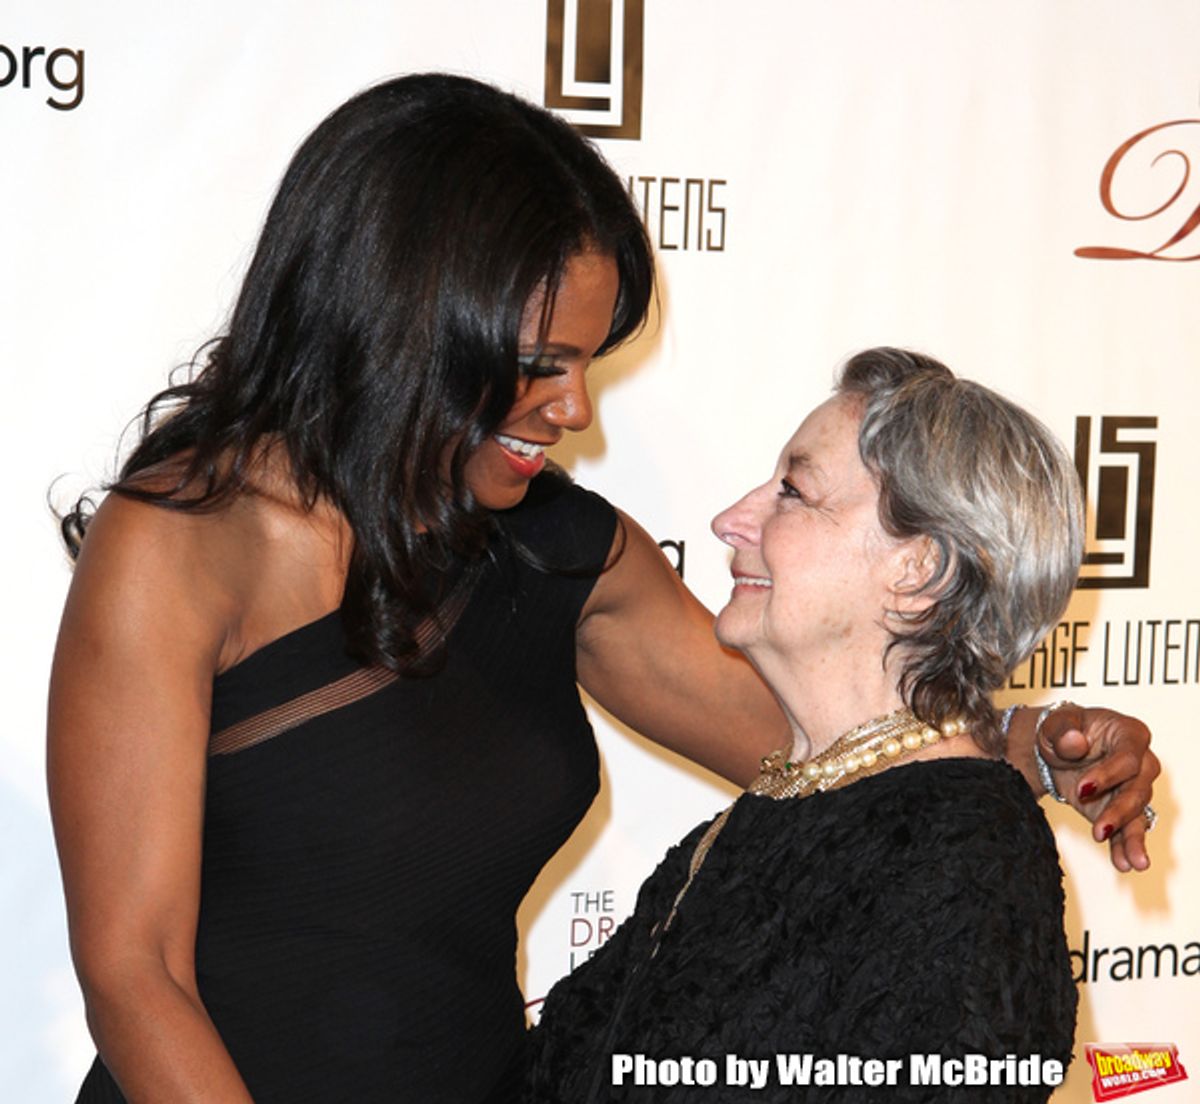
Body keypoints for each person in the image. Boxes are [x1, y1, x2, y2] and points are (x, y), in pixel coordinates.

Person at [47, 77, 1155, 1104]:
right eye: (543, 362)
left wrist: (1028, 739)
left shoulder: (557, 546)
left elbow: (824, 750)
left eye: (589, 361)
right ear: (406, 320)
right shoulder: (179, 546)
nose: (575, 410)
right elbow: (136, 975)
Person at [526, 349, 1097, 1103]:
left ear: (919, 571)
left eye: (793, 492)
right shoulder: (779, 808)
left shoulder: (962, 857)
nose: (731, 521)